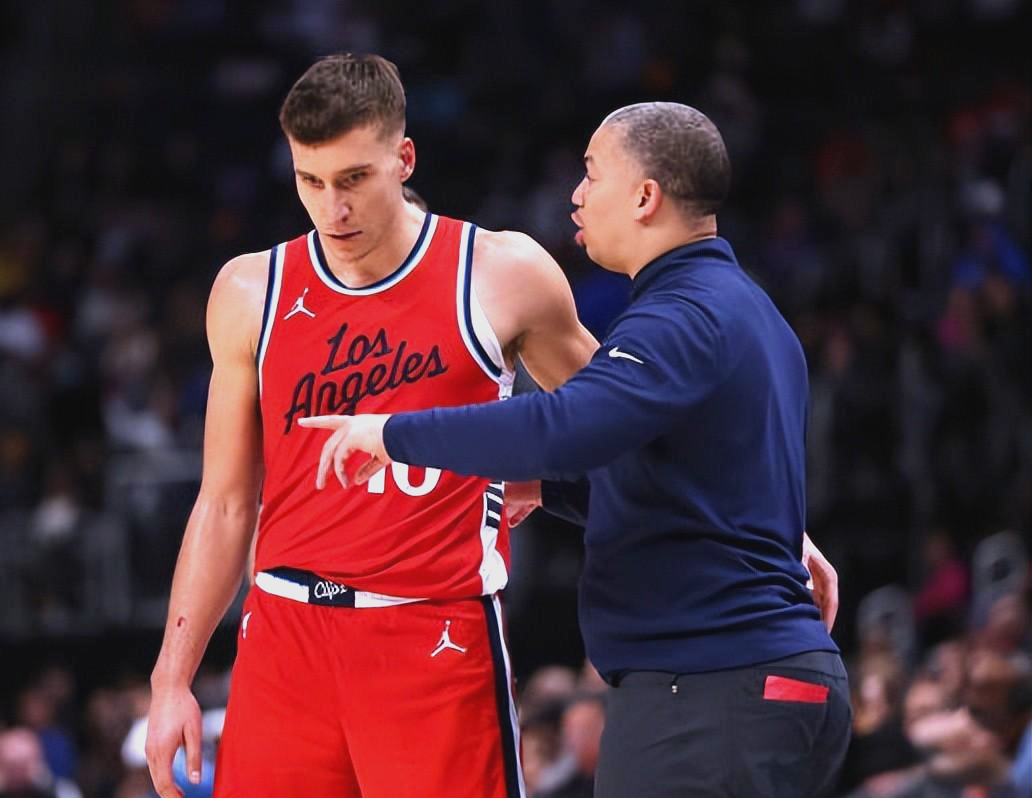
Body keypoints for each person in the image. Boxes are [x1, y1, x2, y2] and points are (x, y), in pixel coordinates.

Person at [301, 102, 853, 797]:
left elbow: (563, 426)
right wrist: (554, 489)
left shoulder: (682, 317)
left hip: (708, 691)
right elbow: (685, 490)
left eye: (592, 174)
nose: (576, 194)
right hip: (764, 682)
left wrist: (392, 432)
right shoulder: (750, 310)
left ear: (646, 197)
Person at [144, 53, 602, 798]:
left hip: (434, 634)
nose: (334, 209)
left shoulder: (499, 273)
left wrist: (762, 525)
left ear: (404, 159)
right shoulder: (249, 290)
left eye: (354, 178)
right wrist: (171, 681)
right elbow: (225, 503)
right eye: (311, 182)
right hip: (284, 636)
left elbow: (625, 420)